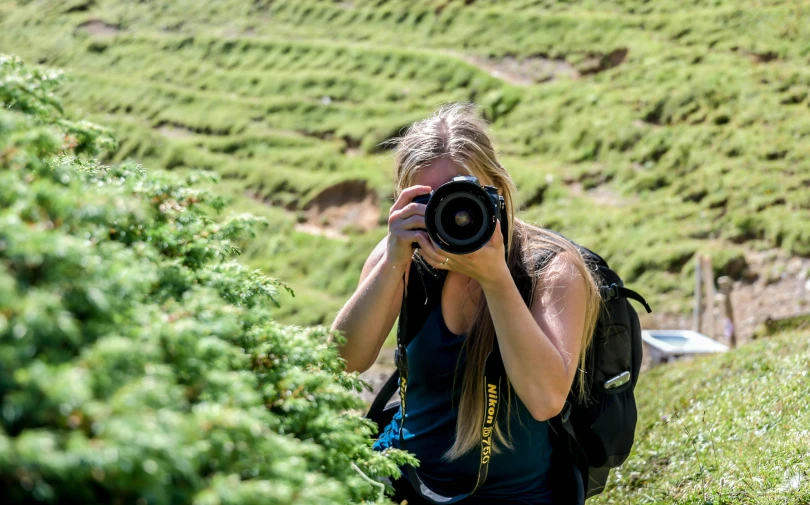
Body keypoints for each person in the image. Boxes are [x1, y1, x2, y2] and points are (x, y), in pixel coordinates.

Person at [331, 102, 601, 505]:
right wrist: (391, 264)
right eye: (431, 199)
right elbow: (343, 362)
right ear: (405, 202)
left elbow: (546, 400)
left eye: (463, 193)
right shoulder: (402, 259)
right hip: (406, 482)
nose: (452, 212)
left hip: (514, 497)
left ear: (496, 189)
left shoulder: (550, 271)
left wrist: (495, 278)